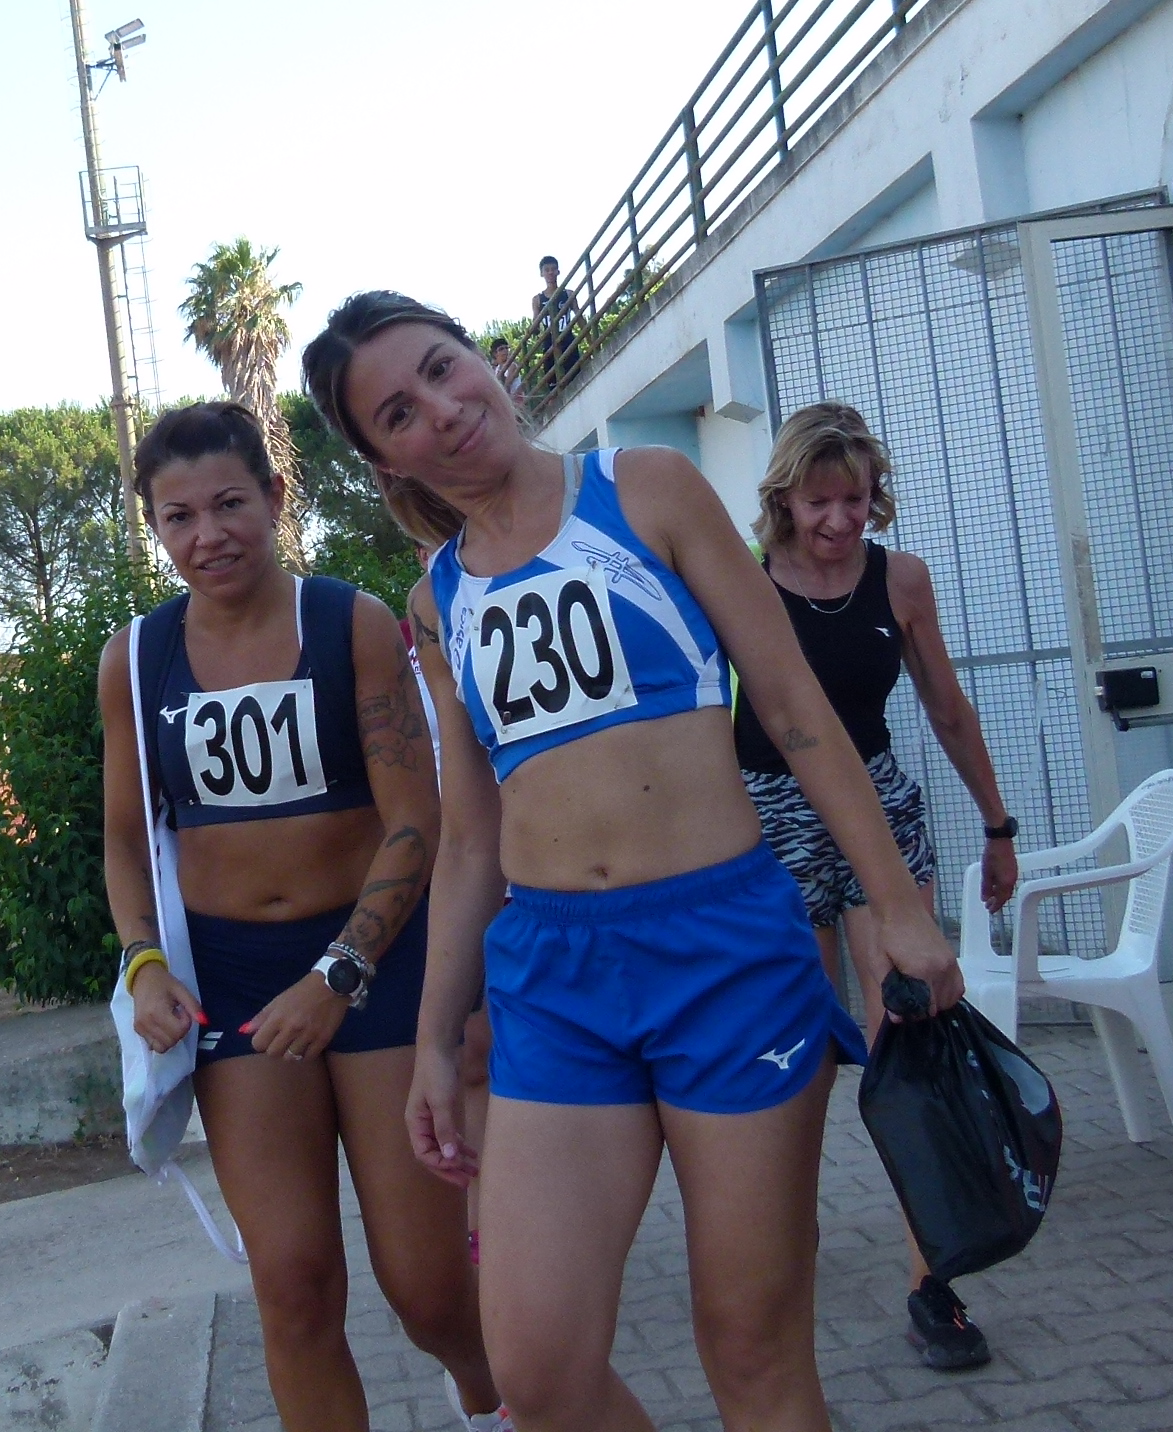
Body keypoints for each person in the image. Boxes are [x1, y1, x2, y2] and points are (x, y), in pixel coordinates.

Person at [304, 291, 963, 1431]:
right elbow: (469, 841)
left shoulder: (647, 488)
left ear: (488, 359)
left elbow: (797, 711)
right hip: (555, 980)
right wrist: (433, 1042)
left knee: (752, 1352)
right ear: (383, 461)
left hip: (726, 955)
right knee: (539, 1373)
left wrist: (900, 908)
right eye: (398, 413)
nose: (441, 410)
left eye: (443, 368)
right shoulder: (437, 600)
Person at [99, 403, 500, 1432]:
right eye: (178, 517)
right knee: (292, 1283)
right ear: (154, 526)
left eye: (230, 503)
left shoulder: (348, 622)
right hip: (234, 984)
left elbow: (416, 821)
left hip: (374, 968)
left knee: (426, 1288)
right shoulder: (136, 659)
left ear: (276, 498)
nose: (208, 535)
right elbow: (125, 841)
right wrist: (145, 963)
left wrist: (338, 974)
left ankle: (492, 1396)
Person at [725, 401, 1023, 1371]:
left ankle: (935, 1283)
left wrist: (998, 826)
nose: (840, 520)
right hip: (770, 816)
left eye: (855, 499)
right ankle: (788, 1253)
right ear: (784, 498)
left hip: (879, 810)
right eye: (820, 502)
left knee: (912, 1032)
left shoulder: (902, 580)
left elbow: (945, 705)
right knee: (800, 1050)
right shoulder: (739, 581)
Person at [527, 256, 584, 394]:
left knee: (576, 380)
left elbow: (579, 317)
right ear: (542, 273)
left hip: (568, 340)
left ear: (558, 271)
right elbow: (535, 322)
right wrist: (532, 330)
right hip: (549, 344)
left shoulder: (568, 293)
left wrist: (591, 340)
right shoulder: (538, 299)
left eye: (553, 269)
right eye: (547, 270)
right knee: (553, 387)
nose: (550, 272)